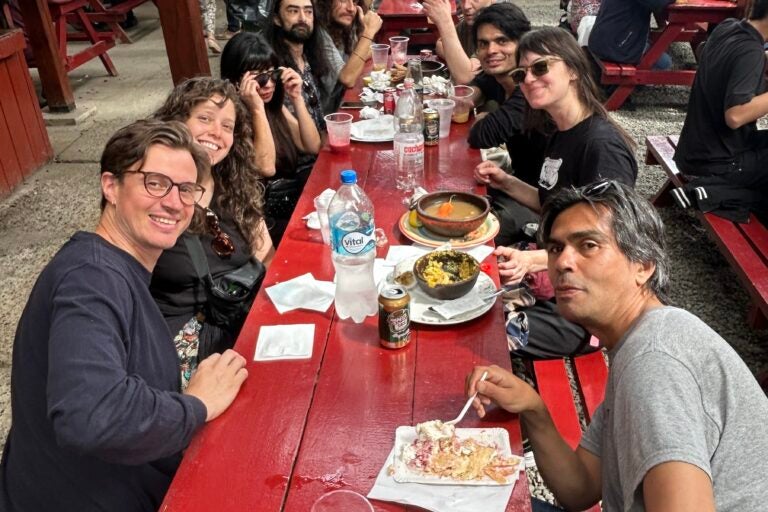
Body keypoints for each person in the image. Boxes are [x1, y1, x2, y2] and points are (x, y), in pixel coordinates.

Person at [466, 181, 768, 511]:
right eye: (555, 248)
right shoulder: (639, 343)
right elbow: (579, 488)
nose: (563, 262)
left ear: (643, 266)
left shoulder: (656, 361)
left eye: (589, 245)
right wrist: (533, 409)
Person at [0, 120, 249, 511]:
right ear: (110, 187)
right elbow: (91, 414)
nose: (173, 202)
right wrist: (196, 404)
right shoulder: (91, 278)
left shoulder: (115, 269)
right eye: (155, 182)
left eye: (186, 189)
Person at [473, 26, 637, 359]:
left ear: (574, 70)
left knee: (485, 333)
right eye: (522, 73)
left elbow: (606, 244)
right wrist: (505, 181)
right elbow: (550, 204)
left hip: (586, 309)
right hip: (552, 273)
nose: (529, 79)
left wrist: (533, 259)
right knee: (464, 290)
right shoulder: (562, 132)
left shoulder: (602, 147)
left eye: (541, 67)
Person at [150, 78, 274, 387]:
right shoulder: (155, 194)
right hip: (183, 340)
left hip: (239, 319)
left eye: (227, 126)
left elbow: (265, 251)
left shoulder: (230, 183)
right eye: (204, 118)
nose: (216, 133)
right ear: (176, 122)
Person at [221, 32, 322, 244]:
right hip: (261, 219)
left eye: (272, 74)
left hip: (287, 202)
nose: (267, 84)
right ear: (235, 80)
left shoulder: (272, 107)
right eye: (258, 78)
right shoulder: (231, 118)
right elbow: (265, 167)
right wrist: (256, 108)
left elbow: (312, 145)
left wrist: (296, 98)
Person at [673, 0, 768, 224]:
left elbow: (709, 53)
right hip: (717, 166)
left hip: (693, 153)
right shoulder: (750, 51)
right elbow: (735, 115)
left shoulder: (728, 27)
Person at [464, 3, 547, 246]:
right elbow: (478, 83)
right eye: (483, 43)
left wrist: (485, 117)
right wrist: (475, 95)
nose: (491, 50)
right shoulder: (500, 79)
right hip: (517, 184)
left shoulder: (530, 91)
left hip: (546, 204)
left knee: (471, 230)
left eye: (502, 41)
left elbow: (480, 136)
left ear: (523, 43)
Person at [266, 0, 334, 131]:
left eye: (308, 11)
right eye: (293, 11)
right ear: (277, 19)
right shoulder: (274, 68)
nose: (303, 18)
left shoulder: (311, 57)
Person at [422, 0, 512, 85]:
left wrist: (445, 22)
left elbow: (466, 78)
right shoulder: (466, 25)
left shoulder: (498, 27)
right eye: (463, 0)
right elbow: (440, 44)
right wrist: (463, 60)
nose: (466, 6)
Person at [316, 0, 382, 113]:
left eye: (355, 2)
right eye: (343, 1)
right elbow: (348, 78)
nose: (351, 8)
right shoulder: (319, 32)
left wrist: (362, 34)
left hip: (342, 104)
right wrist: (368, 33)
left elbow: (372, 49)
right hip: (326, 117)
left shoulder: (345, 24)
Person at [588, 0, 673, 70]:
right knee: (665, 63)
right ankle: (629, 87)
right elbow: (661, 3)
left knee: (655, 48)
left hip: (602, 41)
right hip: (616, 46)